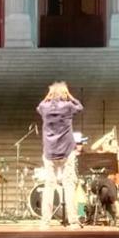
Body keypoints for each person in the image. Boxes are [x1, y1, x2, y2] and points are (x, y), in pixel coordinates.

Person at [36, 81, 83, 228]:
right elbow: (80, 107)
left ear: (50, 94)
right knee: (69, 185)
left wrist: (48, 96)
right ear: (64, 93)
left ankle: (45, 222)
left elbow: (39, 107)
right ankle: (73, 221)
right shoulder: (68, 106)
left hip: (49, 152)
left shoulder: (44, 107)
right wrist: (70, 95)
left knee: (49, 186)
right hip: (67, 152)